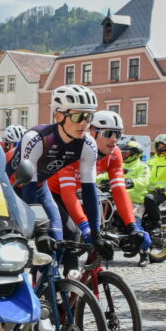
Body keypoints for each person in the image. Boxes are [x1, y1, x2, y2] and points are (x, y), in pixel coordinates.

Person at [50, 111, 148, 270]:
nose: (114, 140)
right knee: (71, 230)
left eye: (118, 134)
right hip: (52, 191)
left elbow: (119, 191)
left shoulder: (114, 154)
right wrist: (85, 229)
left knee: (98, 232)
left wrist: (132, 227)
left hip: (79, 191)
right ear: (92, 132)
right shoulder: (74, 149)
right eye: (109, 133)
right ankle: (50, 277)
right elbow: (68, 194)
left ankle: (78, 282)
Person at [8, 85, 100, 251]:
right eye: (78, 116)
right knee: (17, 246)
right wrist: (40, 230)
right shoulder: (37, 138)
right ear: (59, 116)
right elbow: (28, 186)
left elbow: (89, 191)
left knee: (60, 238)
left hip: (39, 187)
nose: (84, 123)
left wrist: (96, 233)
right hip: (11, 189)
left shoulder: (87, 144)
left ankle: (51, 276)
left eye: (89, 116)